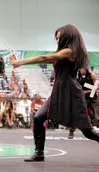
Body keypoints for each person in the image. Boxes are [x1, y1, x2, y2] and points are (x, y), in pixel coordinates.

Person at [10, 24, 99, 162]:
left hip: (71, 92)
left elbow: (45, 58)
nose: (57, 41)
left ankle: (39, 152)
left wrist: (20, 62)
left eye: (59, 38)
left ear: (68, 37)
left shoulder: (70, 52)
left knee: (87, 131)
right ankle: (39, 153)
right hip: (59, 90)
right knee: (39, 118)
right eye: (56, 38)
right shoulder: (66, 52)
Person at [68, 68, 99, 139]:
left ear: (86, 69)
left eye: (83, 69)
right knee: (76, 112)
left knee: (96, 111)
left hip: (92, 96)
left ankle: (96, 128)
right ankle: (71, 130)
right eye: (80, 69)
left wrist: (90, 91)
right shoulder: (77, 77)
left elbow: (97, 86)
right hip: (83, 97)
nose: (82, 70)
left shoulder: (92, 75)